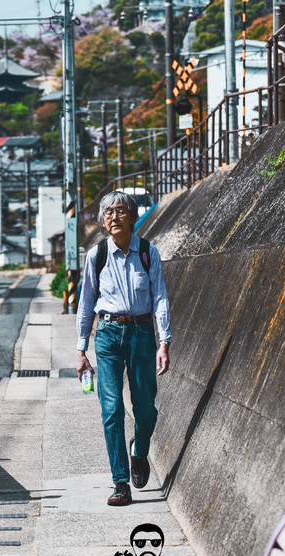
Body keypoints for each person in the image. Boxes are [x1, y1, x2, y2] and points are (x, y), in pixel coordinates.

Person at [76, 191, 172, 507]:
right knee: (111, 409)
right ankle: (120, 482)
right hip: (106, 335)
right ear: (103, 220)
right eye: (108, 213)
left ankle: (139, 450)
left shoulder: (148, 253)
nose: (114, 217)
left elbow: (159, 297)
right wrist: (81, 349)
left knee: (145, 409)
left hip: (142, 333)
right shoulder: (96, 256)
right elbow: (86, 302)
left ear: (132, 217)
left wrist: (164, 341)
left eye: (120, 211)